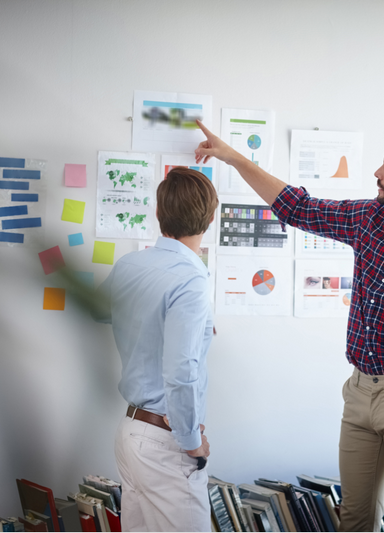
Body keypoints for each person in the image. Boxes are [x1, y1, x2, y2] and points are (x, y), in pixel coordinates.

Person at [195, 120, 384, 531]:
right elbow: (298, 207)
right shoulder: (371, 218)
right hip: (360, 390)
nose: (377, 174)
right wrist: (234, 157)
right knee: (354, 518)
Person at [92, 167, 218, 532]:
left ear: (159, 214)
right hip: (165, 443)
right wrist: (192, 441)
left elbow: (99, 310)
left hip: (131, 433)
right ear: (211, 218)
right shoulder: (191, 278)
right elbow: (181, 371)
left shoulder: (132, 264)